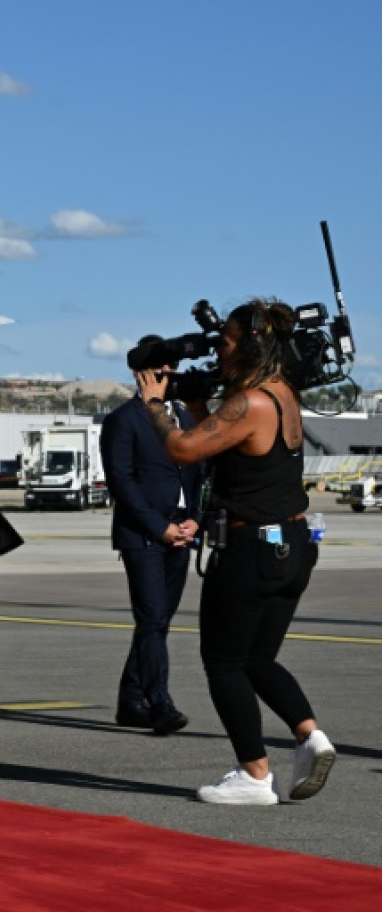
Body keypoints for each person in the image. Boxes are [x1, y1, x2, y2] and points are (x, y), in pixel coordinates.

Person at [137, 298, 335, 805]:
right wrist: (200, 404)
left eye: (224, 342)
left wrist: (155, 405)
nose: (217, 351)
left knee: (223, 662)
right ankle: (310, 736)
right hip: (291, 544)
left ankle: (254, 774)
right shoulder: (282, 394)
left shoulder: (251, 402)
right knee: (258, 658)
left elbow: (182, 448)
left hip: (250, 548)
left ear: (249, 345)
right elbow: (223, 444)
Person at [101, 352, 205, 735]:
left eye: (173, 369)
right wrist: (158, 527)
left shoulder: (187, 419)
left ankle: (131, 700)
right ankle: (159, 702)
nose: (169, 376)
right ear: (140, 374)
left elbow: (198, 473)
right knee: (152, 617)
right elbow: (122, 483)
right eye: (160, 371)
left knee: (157, 621)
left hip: (182, 531)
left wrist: (196, 517)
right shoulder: (122, 421)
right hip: (143, 533)